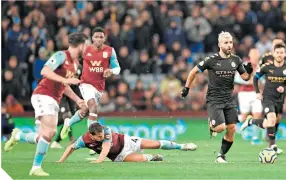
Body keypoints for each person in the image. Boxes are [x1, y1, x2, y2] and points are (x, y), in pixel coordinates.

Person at [4, 32, 88, 176]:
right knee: (48, 132)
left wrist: (77, 100)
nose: (87, 48)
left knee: (46, 134)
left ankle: (18, 136)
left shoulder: (75, 65)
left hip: (54, 98)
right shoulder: (61, 56)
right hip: (43, 94)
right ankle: (35, 168)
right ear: (80, 45)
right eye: (85, 45)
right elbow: (45, 71)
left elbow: (64, 86)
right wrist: (66, 80)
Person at [181, 32, 253, 163]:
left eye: (230, 42)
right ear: (219, 44)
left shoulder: (236, 60)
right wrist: (186, 88)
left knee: (232, 129)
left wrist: (249, 71)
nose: (229, 45)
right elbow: (193, 72)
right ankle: (212, 125)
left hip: (229, 99)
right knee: (220, 128)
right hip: (214, 99)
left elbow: (245, 78)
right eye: (226, 43)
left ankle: (221, 155)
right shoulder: (211, 60)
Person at [60, 27, 120, 142]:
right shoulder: (85, 50)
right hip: (85, 84)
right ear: (92, 38)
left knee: (85, 111)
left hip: (99, 87)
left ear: (104, 38)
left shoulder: (110, 51)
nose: (98, 39)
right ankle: (92, 139)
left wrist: (111, 71)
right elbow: (71, 57)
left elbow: (117, 68)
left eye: (101, 37)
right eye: (96, 37)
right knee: (93, 107)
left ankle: (68, 122)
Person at [240, 43, 286, 154]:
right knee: (271, 119)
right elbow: (255, 79)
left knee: (269, 122)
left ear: (284, 54)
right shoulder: (266, 67)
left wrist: (284, 88)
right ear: (274, 54)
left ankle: (251, 121)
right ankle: (273, 146)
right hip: (267, 98)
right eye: (277, 52)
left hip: (279, 99)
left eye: (281, 53)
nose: (279, 55)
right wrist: (257, 92)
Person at [57, 123, 197, 163]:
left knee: (154, 143)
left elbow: (105, 148)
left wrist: (99, 160)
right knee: (142, 159)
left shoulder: (106, 131)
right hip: (118, 156)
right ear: (92, 136)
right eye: (98, 136)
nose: (101, 137)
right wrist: (61, 161)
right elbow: (71, 147)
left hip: (127, 142)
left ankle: (182, 146)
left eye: (101, 135)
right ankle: (152, 158)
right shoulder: (84, 140)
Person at [257, 38, 286, 153]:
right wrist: (261, 88)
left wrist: (285, 88)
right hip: (268, 90)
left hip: (281, 91)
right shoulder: (265, 57)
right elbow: (259, 72)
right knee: (271, 116)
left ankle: (270, 135)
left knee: (277, 117)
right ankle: (272, 143)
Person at [234, 48, 263, 145]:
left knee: (257, 115)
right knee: (243, 116)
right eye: (254, 54)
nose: (255, 56)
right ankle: (230, 121)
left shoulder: (260, 67)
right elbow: (237, 79)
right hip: (244, 94)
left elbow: (262, 81)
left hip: (256, 93)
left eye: (257, 54)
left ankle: (255, 138)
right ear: (250, 55)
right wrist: (249, 81)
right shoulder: (245, 65)